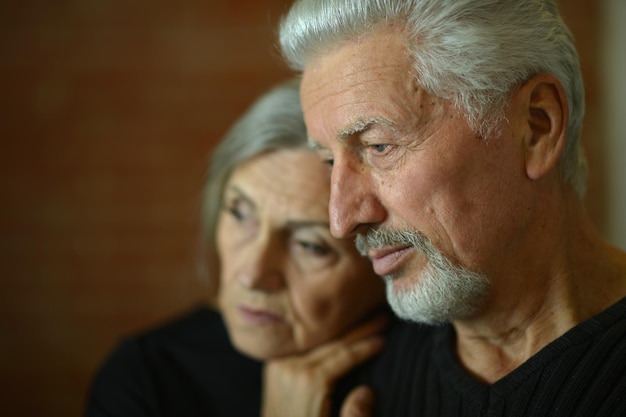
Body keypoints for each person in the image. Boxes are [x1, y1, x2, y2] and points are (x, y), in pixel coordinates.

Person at [278, 0, 626, 416]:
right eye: (330, 161)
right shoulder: (335, 383)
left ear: (537, 127)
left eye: (378, 146)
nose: (342, 219)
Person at [84, 78, 390, 417]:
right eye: (240, 214)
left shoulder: (436, 369)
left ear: (381, 260)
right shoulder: (146, 377)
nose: (252, 275)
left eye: (310, 245)